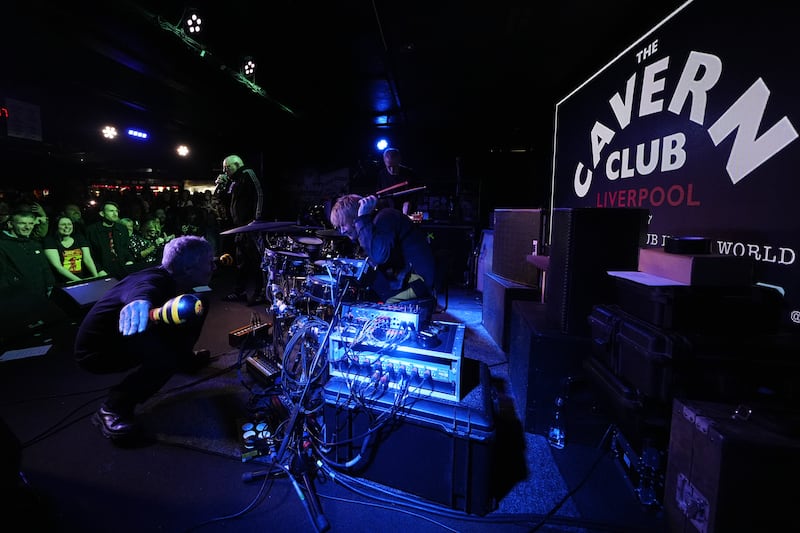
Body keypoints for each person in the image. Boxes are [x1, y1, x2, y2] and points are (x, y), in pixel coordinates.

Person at [74, 236, 216, 440]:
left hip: (126, 334)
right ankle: (113, 408)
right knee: (167, 357)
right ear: (188, 270)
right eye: (209, 262)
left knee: (197, 303)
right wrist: (139, 303)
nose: (214, 266)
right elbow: (142, 291)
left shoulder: (170, 277)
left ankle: (184, 359)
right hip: (97, 352)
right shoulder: (152, 280)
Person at [329, 194, 435, 304]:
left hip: (416, 282)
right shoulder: (371, 226)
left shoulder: (386, 217)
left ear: (355, 216)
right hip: (404, 281)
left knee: (373, 304)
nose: (342, 231)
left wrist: (362, 219)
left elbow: (379, 256)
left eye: (343, 225)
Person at [214, 154, 266, 305]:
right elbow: (220, 198)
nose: (225, 171)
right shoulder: (234, 182)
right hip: (240, 228)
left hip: (251, 227)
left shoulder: (248, 174)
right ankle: (240, 291)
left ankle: (259, 293)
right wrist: (220, 185)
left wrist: (257, 219)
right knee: (241, 261)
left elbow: (260, 194)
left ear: (236, 165)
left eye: (227, 168)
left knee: (256, 261)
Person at [0, 208, 55, 299]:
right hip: (16, 299)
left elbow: (45, 268)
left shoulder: (34, 244)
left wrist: (51, 287)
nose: (27, 227)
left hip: (41, 297)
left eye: (31, 223)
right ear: (10, 224)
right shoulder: (2, 245)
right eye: (22, 223)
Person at [42, 215, 102, 283]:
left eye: (69, 224)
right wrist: (79, 281)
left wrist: (96, 277)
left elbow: (88, 259)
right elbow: (58, 267)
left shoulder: (79, 238)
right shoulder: (50, 241)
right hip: (63, 282)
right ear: (56, 226)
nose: (67, 227)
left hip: (82, 278)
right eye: (63, 224)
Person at [85, 201, 135, 280]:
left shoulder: (122, 229)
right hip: (103, 270)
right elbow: (90, 254)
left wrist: (130, 261)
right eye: (111, 211)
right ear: (102, 213)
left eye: (116, 211)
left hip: (122, 269)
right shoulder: (92, 230)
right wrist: (99, 270)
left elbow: (126, 248)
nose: (115, 214)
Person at [375, 147, 417, 215]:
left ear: (399, 161)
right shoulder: (381, 174)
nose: (392, 170)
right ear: (384, 161)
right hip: (388, 211)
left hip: (408, 211)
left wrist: (408, 204)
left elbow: (414, 196)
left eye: (395, 166)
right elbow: (379, 194)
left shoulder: (410, 174)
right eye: (389, 166)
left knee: (415, 220)